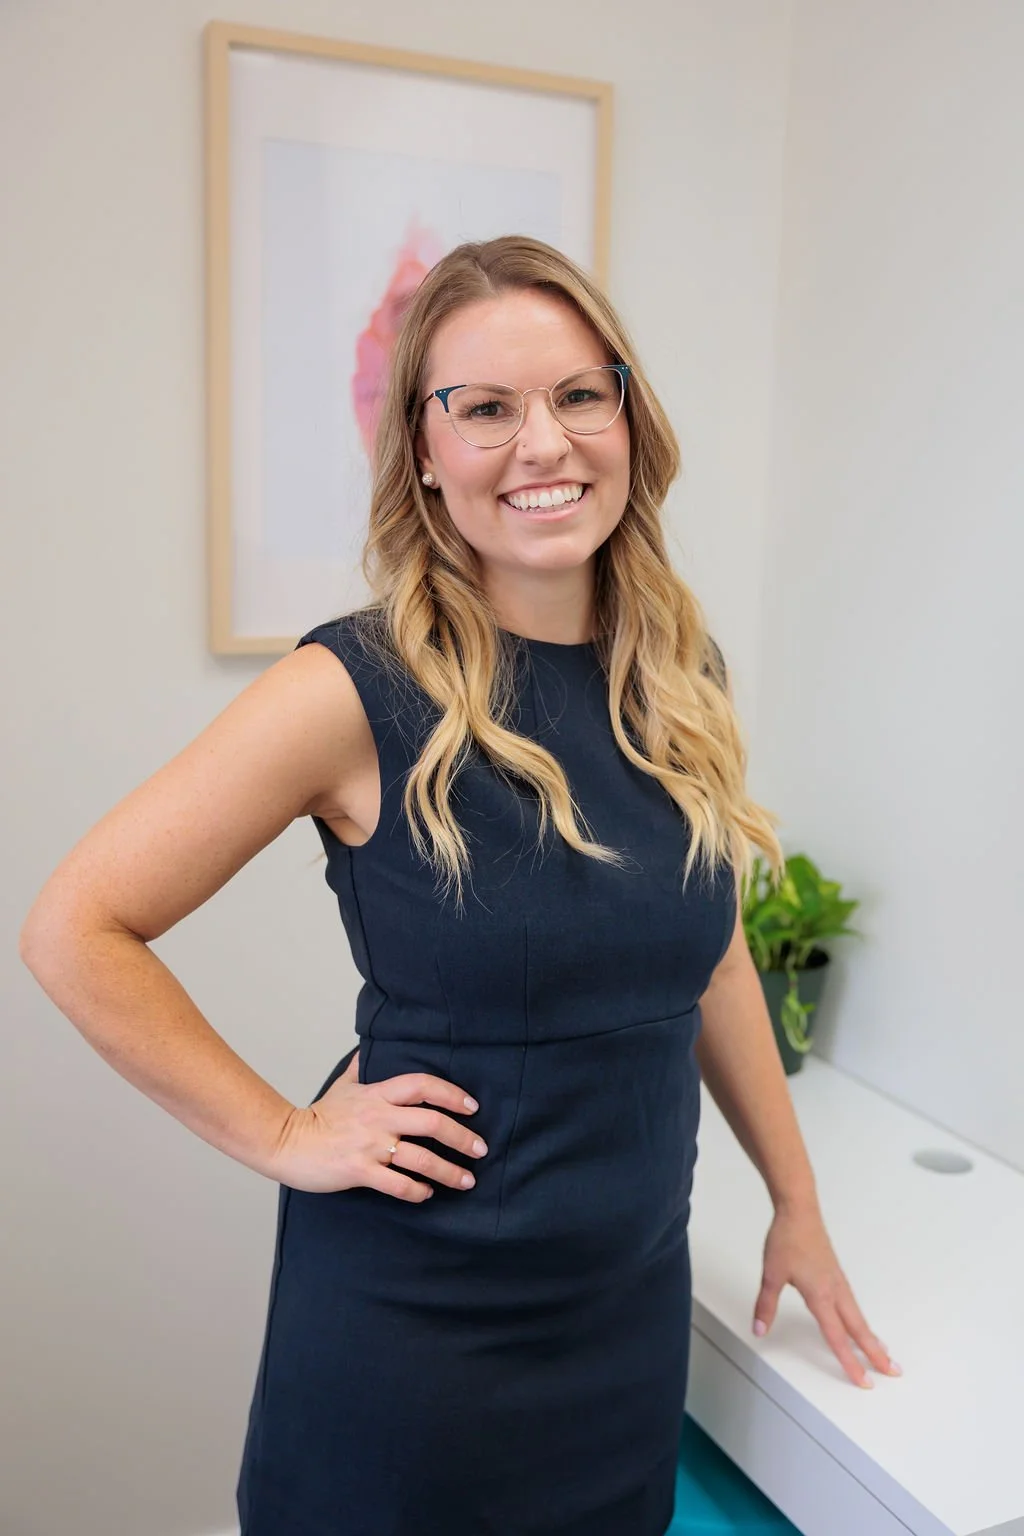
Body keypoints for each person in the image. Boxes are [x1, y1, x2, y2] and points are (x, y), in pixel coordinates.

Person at [19, 234, 900, 1536]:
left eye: (576, 395)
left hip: (625, 1315)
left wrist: (800, 1203)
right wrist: (279, 1132)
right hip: (413, 1344)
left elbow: (705, 954)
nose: (541, 442)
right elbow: (74, 927)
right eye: (484, 409)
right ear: (424, 453)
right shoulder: (352, 688)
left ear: (626, 415)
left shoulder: (678, 667)